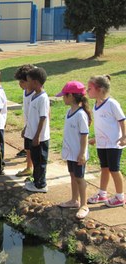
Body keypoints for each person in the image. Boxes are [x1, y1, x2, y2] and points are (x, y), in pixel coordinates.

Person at [87, 75, 126, 207]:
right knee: (104, 168)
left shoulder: (112, 103)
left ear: (99, 89)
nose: (87, 91)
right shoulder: (96, 104)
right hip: (102, 144)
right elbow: (102, 125)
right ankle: (102, 193)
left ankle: (120, 196)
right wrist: (95, 138)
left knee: (114, 169)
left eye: (90, 88)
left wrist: (124, 136)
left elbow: (122, 119)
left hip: (114, 143)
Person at [56, 81, 92, 219]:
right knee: (72, 175)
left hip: (78, 154)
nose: (63, 98)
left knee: (80, 178)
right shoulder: (69, 111)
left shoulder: (80, 114)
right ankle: (73, 200)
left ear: (70, 96)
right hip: (70, 153)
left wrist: (82, 153)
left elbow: (84, 134)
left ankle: (84, 205)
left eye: (64, 96)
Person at [24, 67, 50, 193]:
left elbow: (43, 117)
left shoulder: (43, 98)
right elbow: (31, 116)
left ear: (35, 82)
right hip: (32, 133)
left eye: (28, 81)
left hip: (39, 137)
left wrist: (37, 136)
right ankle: (36, 180)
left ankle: (41, 184)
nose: (27, 83)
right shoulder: (35, 96)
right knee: (35, 159)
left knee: (40, 161)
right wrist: (26, 128)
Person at [14, 64, 35, 178]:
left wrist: (27, 127)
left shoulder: (36, 95)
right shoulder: (25, 92)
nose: (20, 84)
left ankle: (33, 169)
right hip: (27, 125)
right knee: (27, 148)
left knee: (33, 149)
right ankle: (29, 167)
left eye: (22, 81)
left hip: (34, 127)